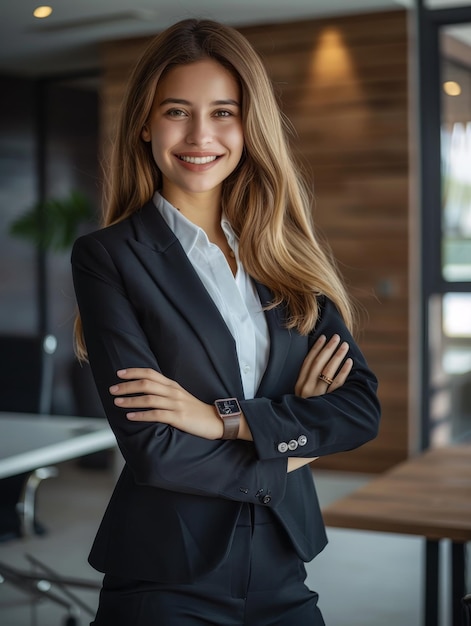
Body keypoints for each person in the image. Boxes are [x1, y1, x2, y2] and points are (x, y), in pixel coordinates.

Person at [71, 18, 380, 626]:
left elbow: (359, 410)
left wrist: (223, 420)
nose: (200, 135)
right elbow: (158, 453)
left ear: (249, 124)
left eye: (223, 113)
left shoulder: (284, 252)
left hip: (284, 567)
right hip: (165, 575)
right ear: (144, 122)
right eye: (177, 111)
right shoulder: (110, 257)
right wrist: (296, 443)